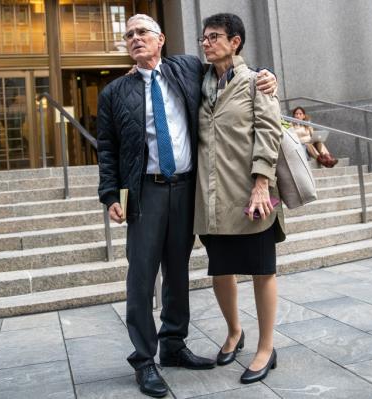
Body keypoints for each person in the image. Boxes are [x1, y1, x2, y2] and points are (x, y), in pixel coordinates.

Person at [97, 14, 277, 398]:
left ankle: (174, 346)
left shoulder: (187, 68)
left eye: (142, 32)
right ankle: (144, 359)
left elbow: (231, 67)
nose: (135, 39)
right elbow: (108, 149)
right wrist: (111, 195)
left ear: (161, 39)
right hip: (144, 192)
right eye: (129, 35)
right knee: (142, 277)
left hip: (187, 189)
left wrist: (267, 74)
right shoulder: (115, 92)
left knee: (177, 272)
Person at [194, 13, 286, 384]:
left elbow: (269, 132)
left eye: (214, 36)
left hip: (251, 194)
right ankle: (234, 331)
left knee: (262, 269)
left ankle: (267, 346)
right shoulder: (198, 83)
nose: (206, 42)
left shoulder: (255, 83)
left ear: (236, 42)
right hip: (212, 197)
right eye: (203, 37)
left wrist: (262, 182)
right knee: (221, 268)